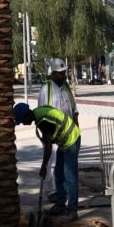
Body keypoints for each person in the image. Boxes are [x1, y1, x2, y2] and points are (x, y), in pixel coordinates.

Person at [14, 102, 81, 221]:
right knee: (58, 173)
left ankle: (72, 210)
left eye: (22, 121)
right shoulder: (38, 114)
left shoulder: (43, 121)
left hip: (71, 138)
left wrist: (43, 166)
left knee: (69, 176)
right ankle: (60, 205)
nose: (23, 124)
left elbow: (48, 147)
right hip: (64, 141)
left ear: (26, 115)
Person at [38, 58, 78, 199]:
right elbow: (42, 112)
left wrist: (76, 131)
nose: (62, 75)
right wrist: (46, 135)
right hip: (52, 134)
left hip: (68, 135)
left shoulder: (66, 88)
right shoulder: (46, 89)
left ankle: (63, 192)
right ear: (53, 73)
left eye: (63, 72)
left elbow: (74, 110)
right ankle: (51, 191)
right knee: (52, 163)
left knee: (66, 167)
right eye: (59, 73)